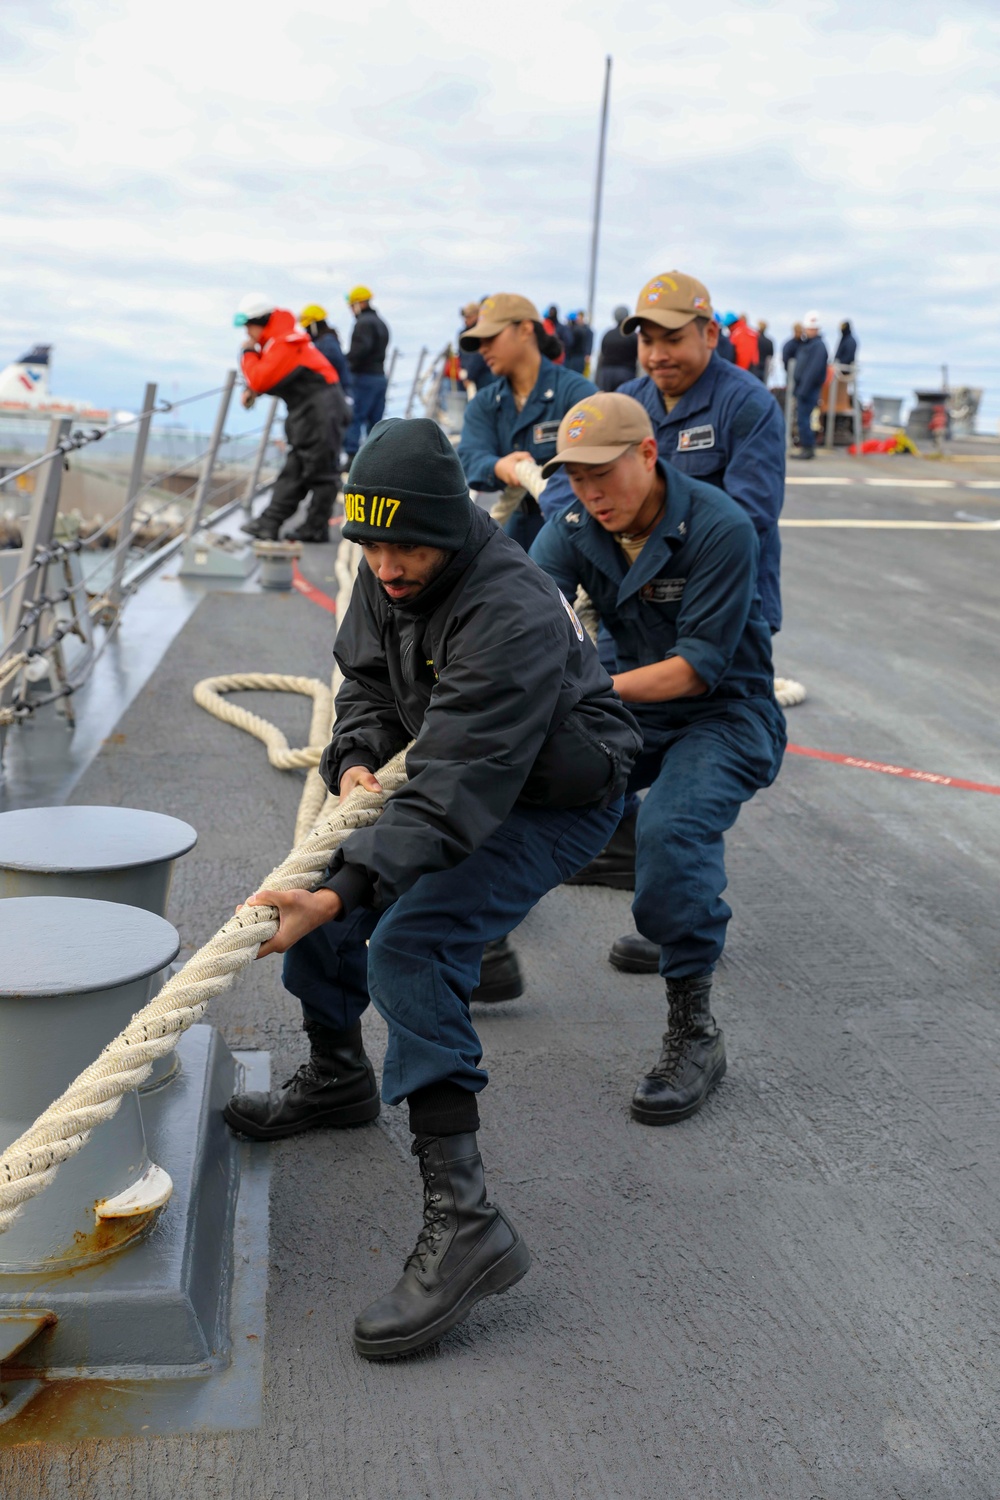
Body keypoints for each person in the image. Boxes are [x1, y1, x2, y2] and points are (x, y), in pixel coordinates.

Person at [224, 416, 641, 1359]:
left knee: (410, 939)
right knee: (338, 891)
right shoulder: (385, 573)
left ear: (452, 528)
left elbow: (458, 788)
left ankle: (470, 1224)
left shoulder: (516, 610)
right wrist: (361, 755)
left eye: (407, 545)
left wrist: (342, 892)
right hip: (464, 772)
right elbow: (364, 684)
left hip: (555, 795)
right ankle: (338, 1077)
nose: (388, 567)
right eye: (370, 544)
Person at [531, 393, 785, 1126]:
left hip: (723, 711)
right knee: (519, 783)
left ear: (648, 454)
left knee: (672, 830)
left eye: (602, 474)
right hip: (629, 705)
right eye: (575, 478)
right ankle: (482, 948)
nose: (588, 493)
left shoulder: (721, 528)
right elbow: (526, 600)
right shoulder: (578, 525)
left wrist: (582, 690)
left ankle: (694, 1030)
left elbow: (697, 669)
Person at [563, 272, 785, 970]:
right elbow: (569, 506)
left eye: (673, 338)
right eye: (648, 340)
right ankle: (647, 863)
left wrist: (650, 533)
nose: (658, 354)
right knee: (573, 755)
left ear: (710, 334)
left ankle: (678, 906)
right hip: (634, 609)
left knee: (691, 770)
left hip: (727, 604)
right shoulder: (625, 404)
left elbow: (745, 516)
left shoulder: (746, 407)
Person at [457, 293, 596, 551]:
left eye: (491, 337)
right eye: (479, 341)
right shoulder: (485, 403)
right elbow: (469, 456)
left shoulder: (577, 394)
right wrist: (499, 467)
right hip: (513, 530)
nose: (482, 348)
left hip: (573, 531)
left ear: (525, 329)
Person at [235, 294, 344, 544]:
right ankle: (270, 522)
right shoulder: (281, 340)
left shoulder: (284, 341)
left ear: (258, 321)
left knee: (322, 473)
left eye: (247, 325)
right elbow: (272, 376)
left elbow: (262, 379)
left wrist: (248, 354)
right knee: (296, 468)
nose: (246, 332)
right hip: (312, 412)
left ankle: (315, 528)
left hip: (320, 412)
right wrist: (253, 387)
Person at [344, 285, 390, 466]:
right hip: (380, 377)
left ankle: (351, 459)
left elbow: (358, 352)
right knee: (375, 421)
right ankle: (375, 458)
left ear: (359, 304)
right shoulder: (380, 322)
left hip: (363, 378)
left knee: (355, 417)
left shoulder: (363, 323)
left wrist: (345, 364)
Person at [789, 311, 829, 461]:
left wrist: (803, 390)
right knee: (802, 419)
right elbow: (788, 350)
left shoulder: (818, 347)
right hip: (803, 388)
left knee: (804, 419)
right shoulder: (807, 345)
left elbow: (813, 370)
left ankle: (808, 448)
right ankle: (807, 447)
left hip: (808, 390)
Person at [456, 301, 497, 392]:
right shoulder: (463, 334)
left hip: (482, 376)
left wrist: (470, 376)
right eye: (465, 317)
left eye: (468, 317)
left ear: (476, 315)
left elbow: (477, 356)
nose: (466, 320)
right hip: (467, 375)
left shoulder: (481, 333)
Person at [596, 305, 638, 391]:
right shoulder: (632, 335)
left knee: (606, 401)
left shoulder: (607, 334)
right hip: (626, 372)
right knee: (624, 401)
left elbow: (602, 354)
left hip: (606, 373)